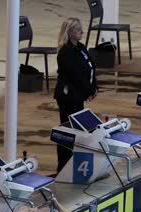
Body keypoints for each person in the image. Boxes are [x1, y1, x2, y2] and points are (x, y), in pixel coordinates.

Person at [54, 17, 98, 174]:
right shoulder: (65, 52)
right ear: (70, 32)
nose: (82, 32)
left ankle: (72, 162)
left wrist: (94, 87)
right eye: (79, 30)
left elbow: (90, 68)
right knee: (68, 131)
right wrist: (88, 90)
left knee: (77, 130)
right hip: (68, 97)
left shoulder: (80, 47)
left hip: (78, 95)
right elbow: (75, 76)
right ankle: (63, 166)